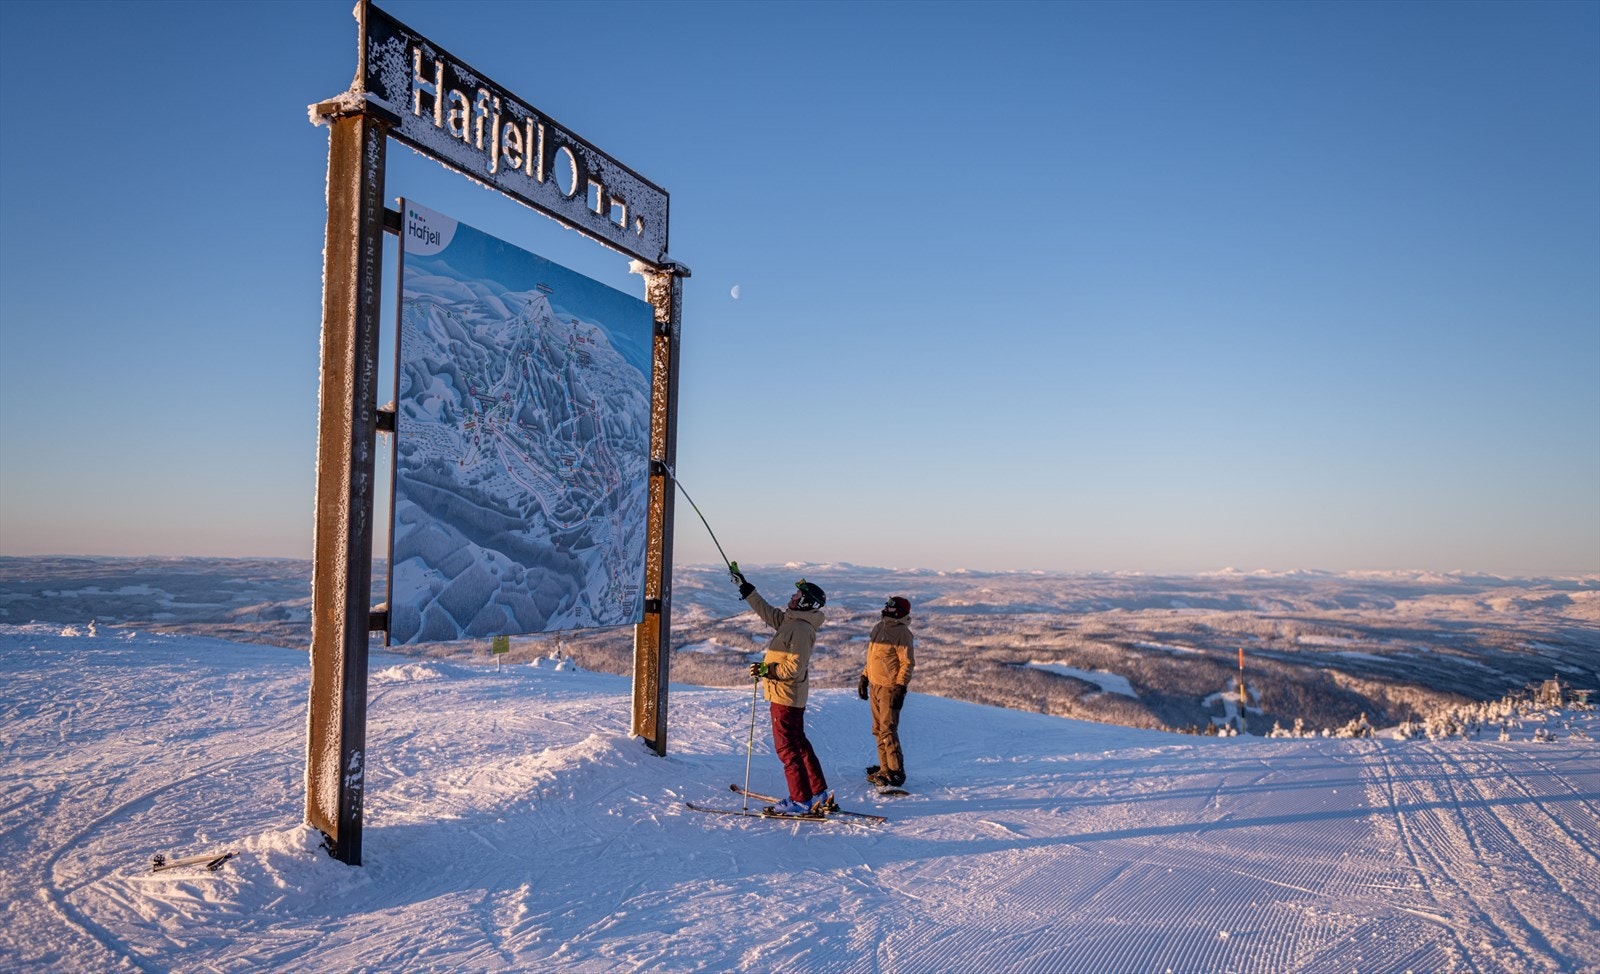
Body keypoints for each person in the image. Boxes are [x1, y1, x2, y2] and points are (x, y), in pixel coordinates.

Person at [731, 564, 834, 815]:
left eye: (797, 597)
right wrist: (747, 589)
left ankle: (800, 800)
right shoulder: (793, 621)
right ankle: (819, 792)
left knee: (787, 748)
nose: (792, 597)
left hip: (785, 696)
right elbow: (769, 614)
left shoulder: (800, 629)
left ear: (806, 604)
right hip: (789, 696)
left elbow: (793, 669)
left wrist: (768, 671)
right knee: (799, 744)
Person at [858, 596, 915, 789]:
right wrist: (864, 677)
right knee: (878, 729)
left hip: (890, 687)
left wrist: (901, 687)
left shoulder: (902, 633)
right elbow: (872, 657)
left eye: (891, 605)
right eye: (887, 604)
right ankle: (885, 768)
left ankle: (896, 771)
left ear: (899, 611)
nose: (886, 607)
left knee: (888, 729)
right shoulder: (879, 627)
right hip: (875, 684)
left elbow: (907, 663)